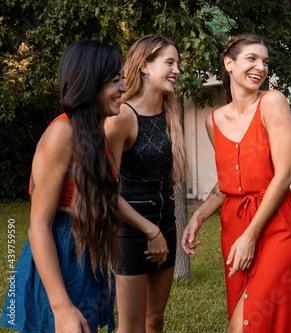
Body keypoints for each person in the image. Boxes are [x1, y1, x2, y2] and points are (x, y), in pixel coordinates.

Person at [181, 33, 291, 333]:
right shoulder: (212, 120)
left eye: (265, 61)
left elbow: (284, 175)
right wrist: (198, 217)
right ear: (229, 64)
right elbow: (228, 182)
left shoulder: (272, 102)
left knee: (246, 323)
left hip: (277, 227)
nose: (261, 67)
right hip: (234, 227)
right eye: (251, 59)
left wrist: (251, 235)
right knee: (242, 311)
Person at [0, 40, 126, 333]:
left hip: (87, 261)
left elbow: (100, 205)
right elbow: (38, 227)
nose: (123, 88)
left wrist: (106, 278)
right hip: (60, 262)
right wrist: (61, 308)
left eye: (122, 79)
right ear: (89, 83)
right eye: (114, 80)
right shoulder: (62, 132)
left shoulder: (94, 133)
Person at [105, 35, 188, 333]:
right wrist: (148, 230)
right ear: (144, 67)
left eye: (178, 63)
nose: (176, 70)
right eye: (169, 62)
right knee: (131, 328)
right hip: (129, 229)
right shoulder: (121, 117)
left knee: (155, 321)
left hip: (165, 223)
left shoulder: (171, 111)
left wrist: (160, 229)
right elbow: (106, 191)